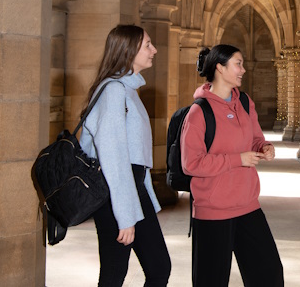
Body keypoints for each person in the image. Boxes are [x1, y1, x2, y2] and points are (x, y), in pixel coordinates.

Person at [181, 44, 284, 287]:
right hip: (213, 211)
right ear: (219, 67)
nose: (243, 70)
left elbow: (256, 137)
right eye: (238, 63)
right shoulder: (198, 112)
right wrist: (238, 159)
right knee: (211, 281)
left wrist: (264, 147)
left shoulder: (246, 103)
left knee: (269, 275)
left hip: (248, 206)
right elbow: (191, 163)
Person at [79, 24, 171, 286]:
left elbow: (136, 159)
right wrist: (125, 215)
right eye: (147, 45)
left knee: (158, 267)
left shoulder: (127, 90)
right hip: (114, 193)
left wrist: (144, 200)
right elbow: (114, 158)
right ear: (129, 50)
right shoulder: (114, 91)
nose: (154, 50)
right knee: (114, 272)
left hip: (131, 191)